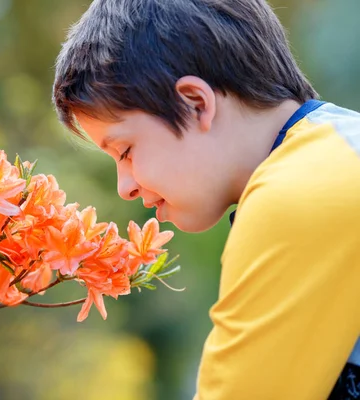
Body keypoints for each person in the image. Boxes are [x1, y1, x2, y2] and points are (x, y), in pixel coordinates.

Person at [52, 0, 360, 399]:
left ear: (195, 103)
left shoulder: (300, 194)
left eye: (125, 151)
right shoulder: (336, 152)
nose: (124, 187)